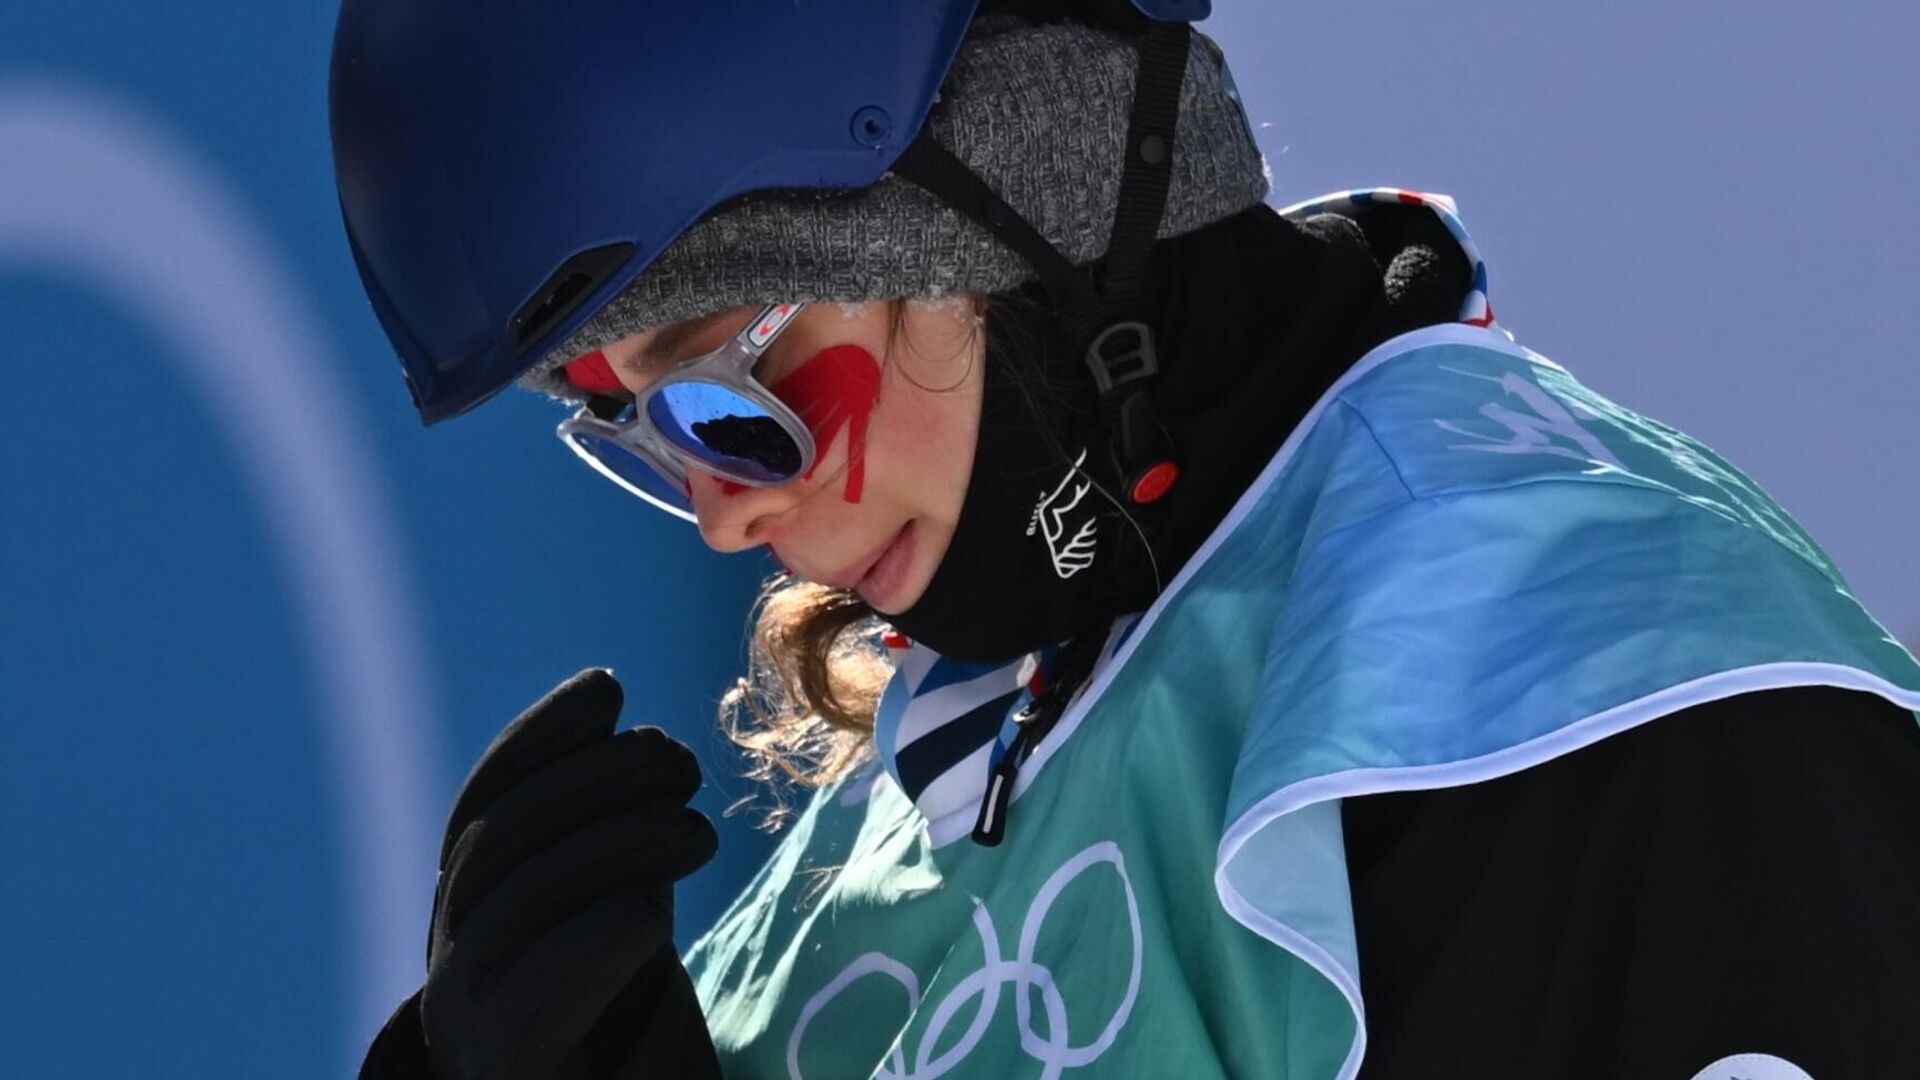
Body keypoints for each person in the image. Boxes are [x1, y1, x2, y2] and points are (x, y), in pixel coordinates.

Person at [332, 2, 1920, 1077]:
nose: (722, 509)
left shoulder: (1572, 693)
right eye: (635, 427)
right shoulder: (930, 787)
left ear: (1020, 202)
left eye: (729, 395)